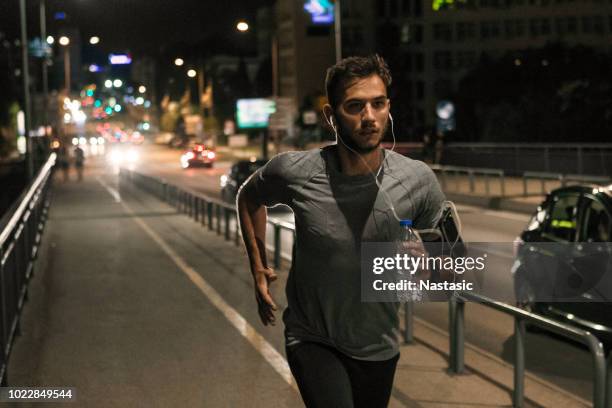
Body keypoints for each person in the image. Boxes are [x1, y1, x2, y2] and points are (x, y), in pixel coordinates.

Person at [237, 55, 445, 408]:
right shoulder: (295, 171)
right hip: (313, 337)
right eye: (355, 106)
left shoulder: (417, 180)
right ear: (331, 116)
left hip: (378, 345)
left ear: (388, 108)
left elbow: (451, 262)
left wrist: (427, 266)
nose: (369, 117)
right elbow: (249, 197)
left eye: (378, 104)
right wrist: (258, 266)